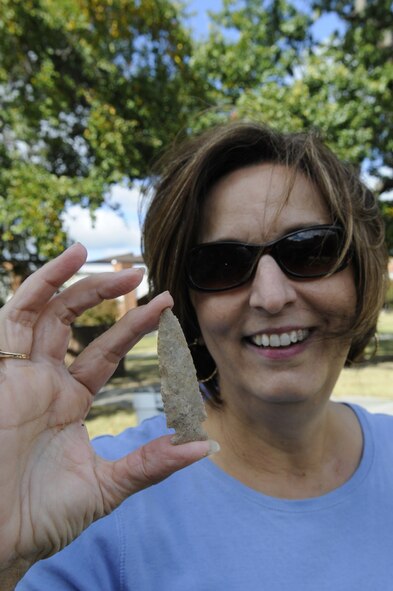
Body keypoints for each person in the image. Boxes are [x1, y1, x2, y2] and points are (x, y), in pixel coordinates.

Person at [3, 120, 390, 589]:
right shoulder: (91, 497)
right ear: (189, 306)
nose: (270, 296)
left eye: (310, 251)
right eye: (224, 264)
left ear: (361, 276)